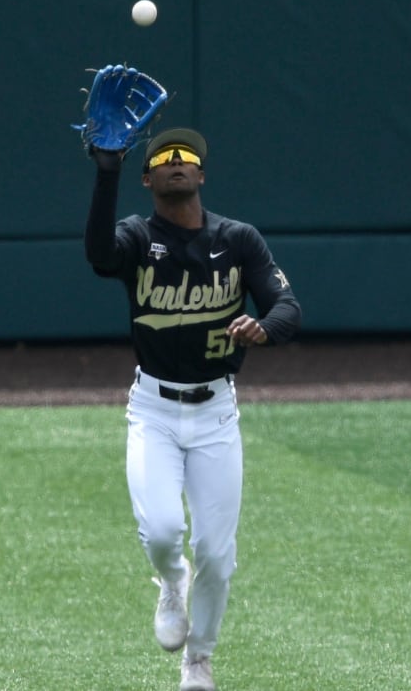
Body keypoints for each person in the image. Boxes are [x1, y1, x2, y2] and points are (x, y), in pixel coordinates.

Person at [84, 128, 301, 691]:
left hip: (216, 414)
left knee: (218, 553)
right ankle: (170, 581)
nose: (176, 161)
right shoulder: (137, 237)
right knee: (161, 532)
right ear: (148, 178)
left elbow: (286, 305)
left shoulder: (238, 239)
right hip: (153, 409)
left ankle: (198, 660)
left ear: (202, 175)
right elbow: (100, 256)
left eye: (187, 158)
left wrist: (264, 328)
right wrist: (105, 173)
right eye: (163, 157)